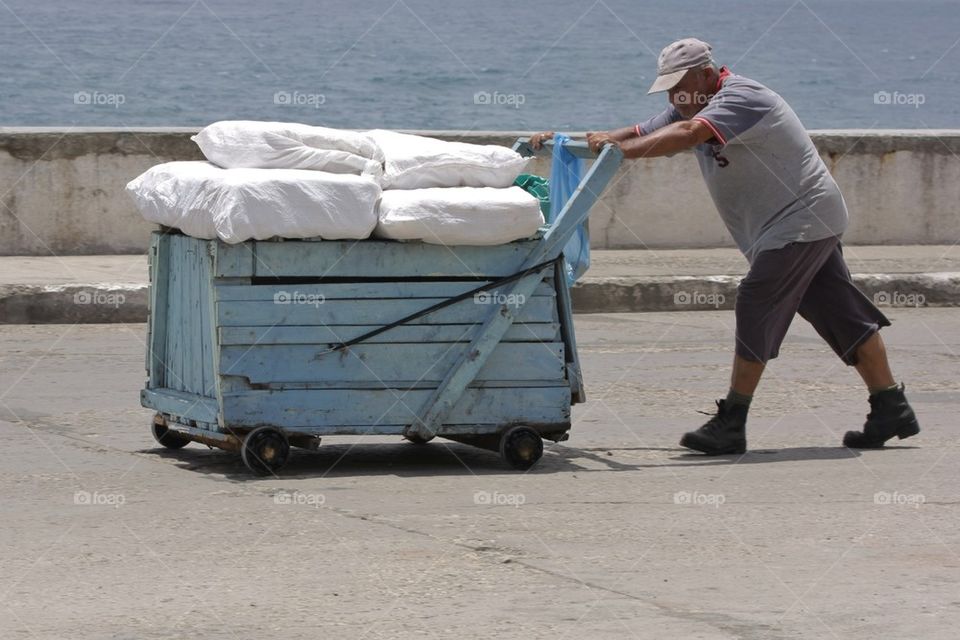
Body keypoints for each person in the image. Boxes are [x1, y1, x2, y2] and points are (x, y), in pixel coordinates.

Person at [531, 37, 920, 455]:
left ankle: (732, 420)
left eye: (681, 85)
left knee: (756, 299)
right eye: (669, 89)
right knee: (839, 311)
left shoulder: (742, 98)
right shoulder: (689, 103)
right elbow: (639, 131)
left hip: (801, 218)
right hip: (788, 225)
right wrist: (568, 142)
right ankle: (890, 406)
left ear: (706, 73)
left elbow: (687, 134)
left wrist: (620, 152)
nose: (676, 97)